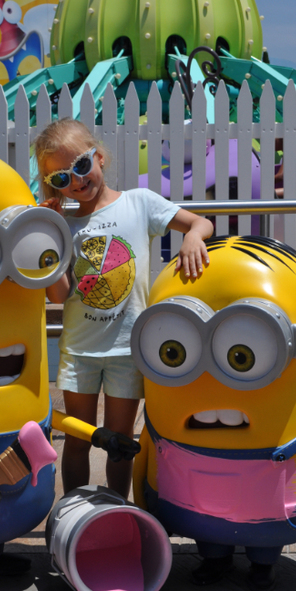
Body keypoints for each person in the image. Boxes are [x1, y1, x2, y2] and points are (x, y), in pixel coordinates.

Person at [34, 118, 213, 499]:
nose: (77, 181)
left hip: (127, 350)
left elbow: (200, 222)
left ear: (99, 156)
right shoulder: (63, 225)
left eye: (81, 165)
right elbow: (59, 295)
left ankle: (118, 511)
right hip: (80, 350)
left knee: (120, 441)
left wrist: (193, 238)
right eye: (62, 178)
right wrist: (49, 235)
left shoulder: (140, 202)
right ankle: (75, 513)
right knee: (77, 440)